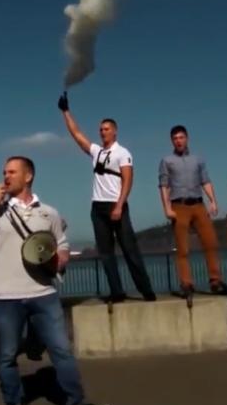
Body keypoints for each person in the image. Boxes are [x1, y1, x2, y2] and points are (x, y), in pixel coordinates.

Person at [0, 156, 109, 405]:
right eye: (4, 172)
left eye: (12, 172)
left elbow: (61, 244)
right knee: (7, 356)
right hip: (6, 296)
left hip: (43, 293)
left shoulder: (49, 213)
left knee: (62, 350)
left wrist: (60, 259)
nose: (6, 176)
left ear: (28, 176)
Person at [58, 93, 155, 303]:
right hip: (98, 208)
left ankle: (146, 290)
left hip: (116, 205)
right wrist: (65, 112)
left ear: (115, 131)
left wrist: (120, 205)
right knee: (106, 253)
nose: (103, 132)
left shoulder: (123, 153)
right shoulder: (97, 152)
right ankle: (116, 292)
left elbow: (128, 179)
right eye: (101, 129)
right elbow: (77, 135)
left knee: (130, 249)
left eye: (106, 129)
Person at [159, 125, 227, 297]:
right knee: (183, 248)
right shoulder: (167, 161)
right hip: (179, 206)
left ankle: (216, 281)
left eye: (181, 137)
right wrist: (167, 208)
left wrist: (213, 201)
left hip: (199, 205)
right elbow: (163, 185)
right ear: (172, 141)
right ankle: (186, 284)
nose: (178, 141)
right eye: (175, 138)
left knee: (211, 242)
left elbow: (205, 181)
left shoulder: (198, 160)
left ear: (187, 138)